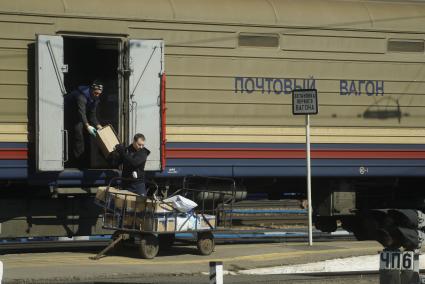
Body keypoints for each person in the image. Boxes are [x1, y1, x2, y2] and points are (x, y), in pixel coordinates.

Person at [65, 81, 103, 164]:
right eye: (96, 93)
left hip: (79, 113)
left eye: (99, 93)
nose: (97, 95)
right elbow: (81, 113)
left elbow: (92, 116)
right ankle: (76, 161)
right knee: (78, 132)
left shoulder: (95, 99)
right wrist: (87, 125)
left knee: (88, 135)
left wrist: (99, 126)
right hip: (68, 112)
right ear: (91, 90)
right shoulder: (81, 97)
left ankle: (85, 160)